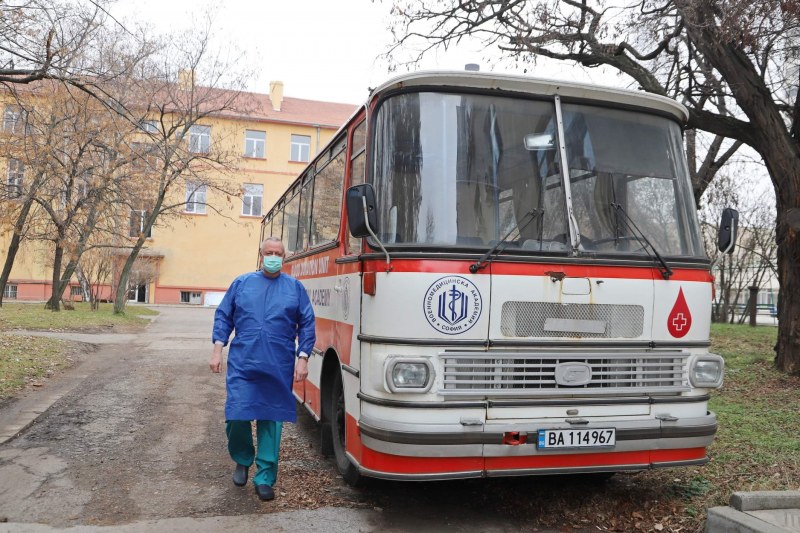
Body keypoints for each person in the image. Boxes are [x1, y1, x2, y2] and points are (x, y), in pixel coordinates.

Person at [209, 237, 315, 501]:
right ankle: (242, 458)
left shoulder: (294, 288)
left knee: (271, 418)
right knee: (237, 413)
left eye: (278, 253)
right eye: (269, 252)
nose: (273, 257)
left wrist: (303, 357)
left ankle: (265, 477)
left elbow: (307, 323)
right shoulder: (242, 284)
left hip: (278, 363)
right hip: (244, 361)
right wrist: (217, 349)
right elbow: (224, 316)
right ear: (261, 255)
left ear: (284, 258)